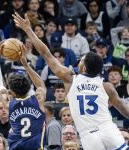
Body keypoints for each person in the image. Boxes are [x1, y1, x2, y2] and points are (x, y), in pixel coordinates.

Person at [12, 12, 129, 150]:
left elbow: (46, 54)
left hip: (88, 135)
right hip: (107, 128)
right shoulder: (106, 85)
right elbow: (122, 107)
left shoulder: (70, 79)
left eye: (81, 60)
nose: (78, 62)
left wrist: (28, 30)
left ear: (84, 67)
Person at [0, 43, 46, 150]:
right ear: (29, 87)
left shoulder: (9, 103)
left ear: (11, 91)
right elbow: (41, 85)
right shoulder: (38, 101)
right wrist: (26, 65)